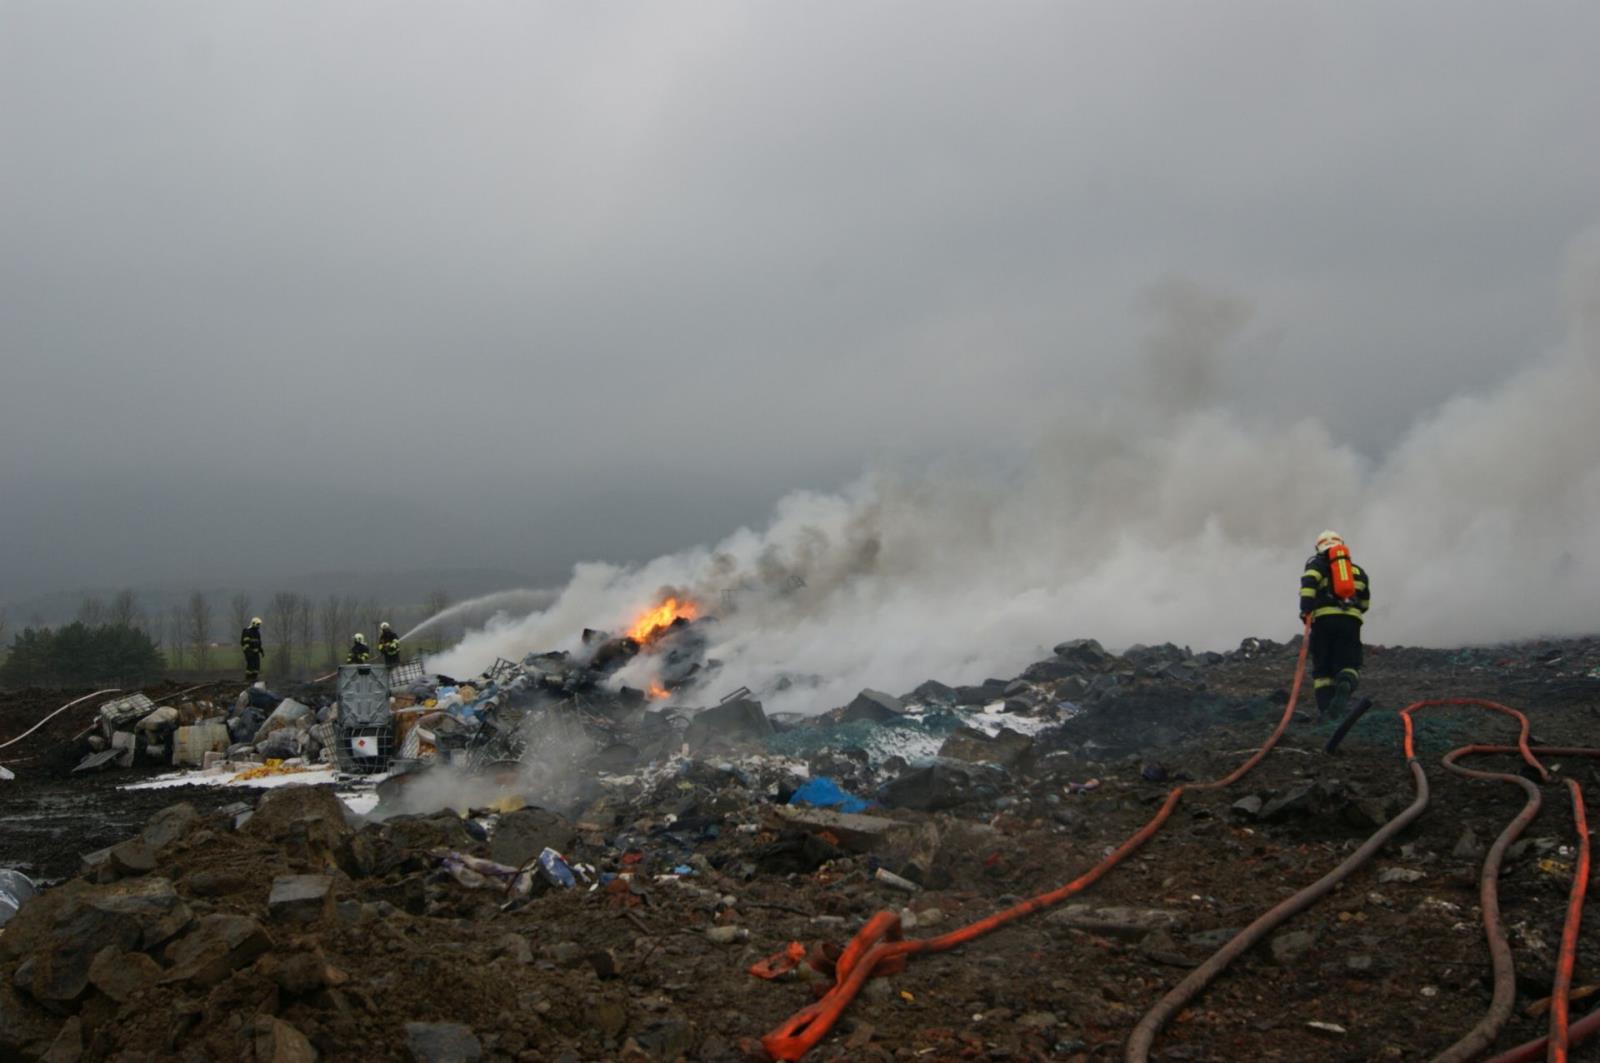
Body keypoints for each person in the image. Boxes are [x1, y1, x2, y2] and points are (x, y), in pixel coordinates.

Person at [1299, 530, 1370, 720]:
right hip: (1351, 623)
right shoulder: (1357, 571)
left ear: (1318, 547)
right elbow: (1365, 604)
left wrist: (1305, 610)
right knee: (1349, 663)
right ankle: (1345, 681)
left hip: (1323, 621)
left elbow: (1308, 584)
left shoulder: (1317, 565)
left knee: (1323, 670)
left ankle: (1326, 712)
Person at [241, 617, 264, 683]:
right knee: (250, 666)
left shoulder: (257, 632)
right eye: (258, 624)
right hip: (250, 653)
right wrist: (247, 652)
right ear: (253, 623)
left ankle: (254, 679)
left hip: (256, 653)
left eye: (259, 624)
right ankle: (248, 680)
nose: (258, 626)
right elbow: (245, 643)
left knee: (256, 667)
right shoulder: (247, 631)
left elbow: (258, 643)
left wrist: (261, 650)